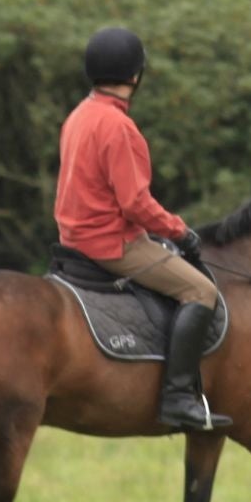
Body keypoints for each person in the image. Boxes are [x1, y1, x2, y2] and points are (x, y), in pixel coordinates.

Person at [54, 27, 228, 431]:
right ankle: (178, 399)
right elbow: (135, 203)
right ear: (135, 76)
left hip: (73, 241)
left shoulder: (79, 116)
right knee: (201, 290)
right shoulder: (119, 127)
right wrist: (180, 231)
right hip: (112, 244)